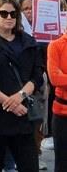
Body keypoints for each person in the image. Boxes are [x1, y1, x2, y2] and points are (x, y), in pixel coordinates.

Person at [0, 0, 44, 172]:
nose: (9, 17)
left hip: (24, 114)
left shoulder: (29, 42)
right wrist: (10, 103)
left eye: (13, 14)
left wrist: (19, 97)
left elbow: (37, 76)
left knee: (30, 167)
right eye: (4, 13)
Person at [47, 30, 67, 172]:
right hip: (62, 114)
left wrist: (63, 75)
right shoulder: (56, 45)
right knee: (62, 163)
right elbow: (54, 78)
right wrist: (60, 76)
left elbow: (60, 78)